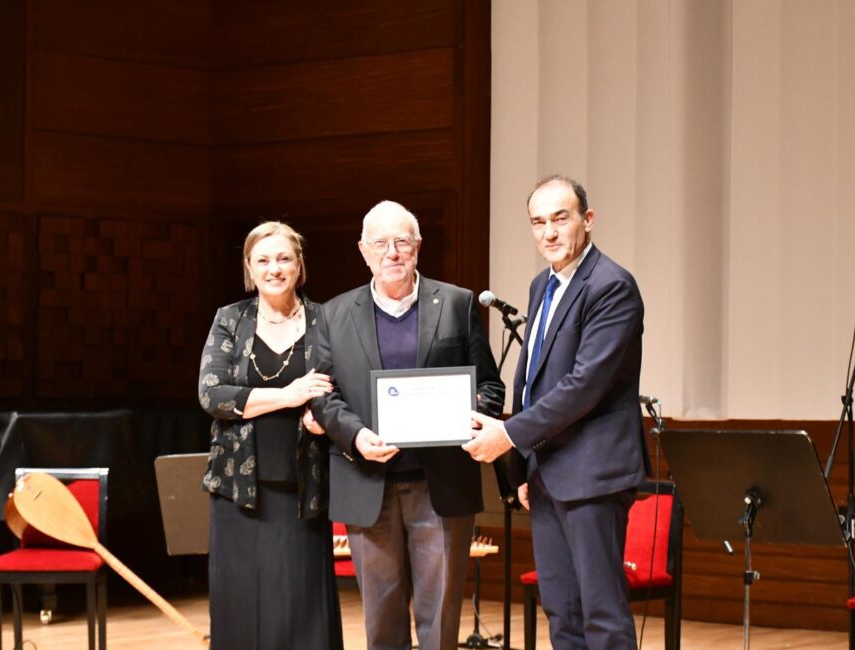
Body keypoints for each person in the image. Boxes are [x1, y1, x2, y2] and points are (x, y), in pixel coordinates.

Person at [312, 200, 505, 650]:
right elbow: (323, 394)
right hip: (367, 485)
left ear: (418, 246)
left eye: (402, 241)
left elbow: (490, 386)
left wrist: (469, 416)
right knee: (382, 625)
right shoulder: (333, 314)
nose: (392, 252)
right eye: (381, 242)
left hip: (439, 487)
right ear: (363, 251)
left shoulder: (456, 303)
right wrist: (356, 436)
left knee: (440, 622)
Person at [466, 175, 648, 649]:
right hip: (547, 474)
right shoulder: (541, 285)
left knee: (601, 616)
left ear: (587, 221)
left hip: (593, 474)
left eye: (560, 219)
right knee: (562, 613)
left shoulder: (611, 286)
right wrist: (523, 465)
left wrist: (508, 435)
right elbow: (531, 381)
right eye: (538, 222)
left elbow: (583, 387)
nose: (548, 233)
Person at [197, 221, 343, 650]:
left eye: (283, 258)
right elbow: (211, 394)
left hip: (304, 491)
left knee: (301, 610)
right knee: (240, 608)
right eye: (262, 260)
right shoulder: (230, 319)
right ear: (249, 268)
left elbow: (344, 388)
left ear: (299, 265)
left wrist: (323, 416)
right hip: (237, 493)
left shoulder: (327, 320)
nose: (273, 268)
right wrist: (289, 396)